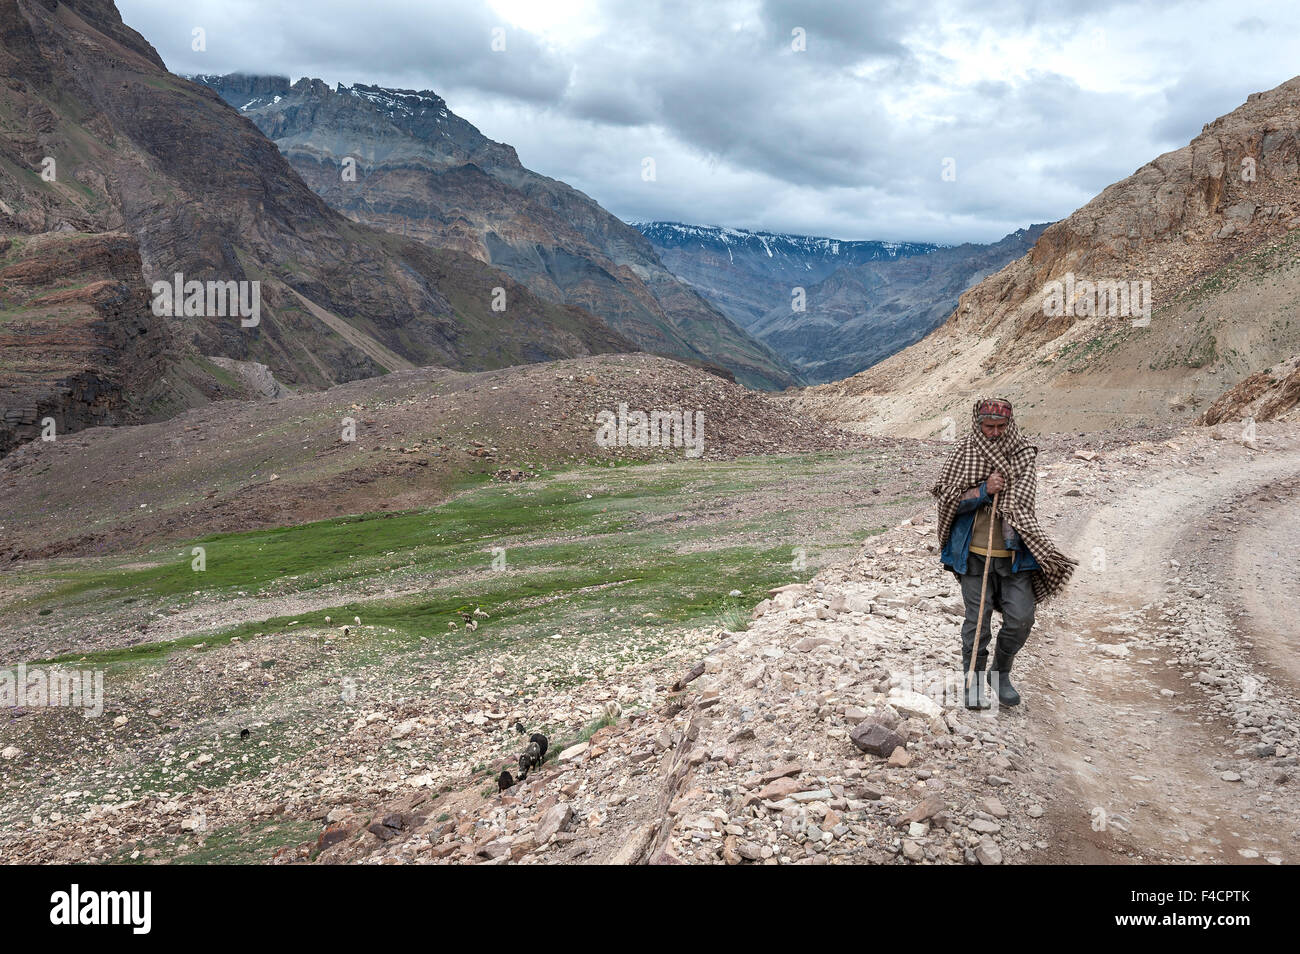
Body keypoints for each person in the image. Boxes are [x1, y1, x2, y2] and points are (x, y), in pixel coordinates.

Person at [932, 398, 1077, 709]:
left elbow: (1023, 501)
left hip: (1013, 555)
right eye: (989, 427)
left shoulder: (1023, 453)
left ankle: (1000, 673)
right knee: (977, 622)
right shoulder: (965, 451)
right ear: (977, 424)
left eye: (1001, 427)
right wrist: (984, 490)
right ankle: (972, 680)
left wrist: (1001, 492)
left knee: (1022, 618)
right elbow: (947, 500)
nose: (995, 432)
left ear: (1009, 424)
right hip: (973, 553)